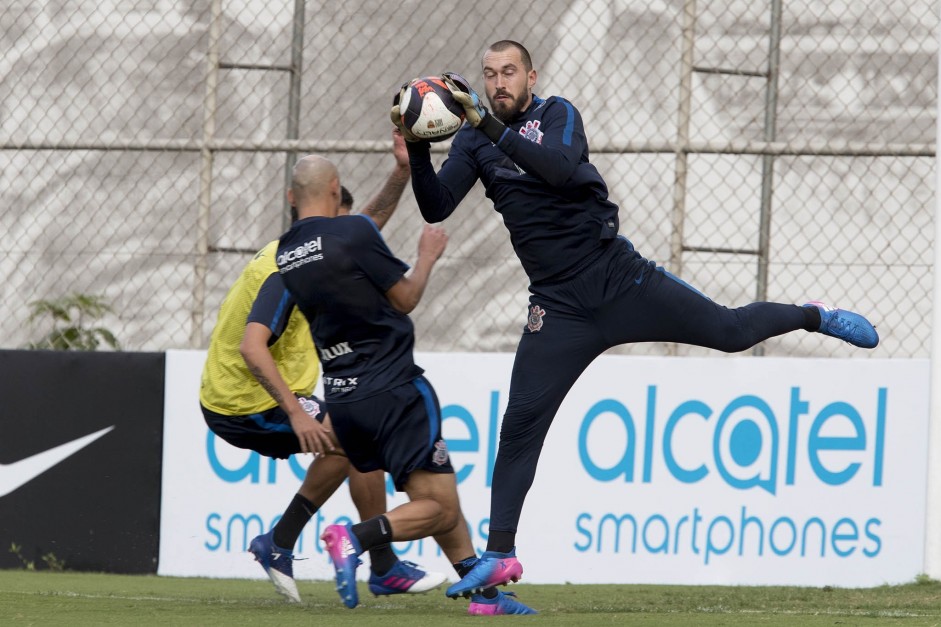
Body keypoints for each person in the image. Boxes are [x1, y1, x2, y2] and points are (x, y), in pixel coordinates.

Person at [391, 39, 880, 599]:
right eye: (489, 73)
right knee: (519, 426)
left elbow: (555, 168)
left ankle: (816, 315)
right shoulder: (476, 139)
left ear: (531, 76)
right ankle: (500, 558)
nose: (498, 82)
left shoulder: (557, 114)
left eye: (508, 72)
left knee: (731, 331)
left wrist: (488, 124)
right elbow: (436, 206)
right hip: (558, 306)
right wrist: (418, 147)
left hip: (620, 280)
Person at [276, 154, 535, 615]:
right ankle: (355, 540)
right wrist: (426, 256)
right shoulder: (353, 234)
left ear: (293, 198)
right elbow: (406, 298)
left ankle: (487, 599)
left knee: (436, 498)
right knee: (440, 508)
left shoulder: (287, 253)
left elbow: (345, 246)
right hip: (393, 388)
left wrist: (400, 172)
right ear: (336, 189)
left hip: (343, 395)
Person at [199, 129, 446, 604]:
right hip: (243, 400)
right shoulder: (288, 264)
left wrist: (400, 172)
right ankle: (374, 563)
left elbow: (366, 225)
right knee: (356, 438)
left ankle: (296, 546)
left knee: (354, 435)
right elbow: (254, 348)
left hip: (264, 391)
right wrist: (295, 412)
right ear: (328, 203)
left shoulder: (311, 248)